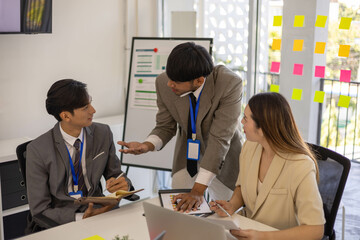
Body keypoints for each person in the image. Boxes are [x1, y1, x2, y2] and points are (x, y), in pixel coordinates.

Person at [118, 42, 243, 211]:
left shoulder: (229, 83)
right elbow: (165, 125)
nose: (170, 84)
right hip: (186, 158)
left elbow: (219, 140)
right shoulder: (164, 82)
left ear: (199, 81)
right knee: (180, 211)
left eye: (176, 81)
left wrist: (198, 191)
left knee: (228, 214)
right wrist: (146, 146)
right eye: (169, 77)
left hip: (223, 159)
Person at [210, 92, 325, 240]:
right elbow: (241, 187)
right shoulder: (249, 147)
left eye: (246, 118)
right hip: (245, 229)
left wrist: (263, 236)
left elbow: (315, 230)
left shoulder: (300, 165)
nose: (241, 122)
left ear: (263, 127)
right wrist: (231, 205)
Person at [26, 79, 133, 231]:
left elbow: (116, 174)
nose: (93, 110)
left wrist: (124, 185)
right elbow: (40, 210)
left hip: (102, 212)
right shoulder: (37, 150)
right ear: (66, 116)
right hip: (62, 221)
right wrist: (80, 218)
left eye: (90, 103)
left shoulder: (103, 133)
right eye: (85, 107)